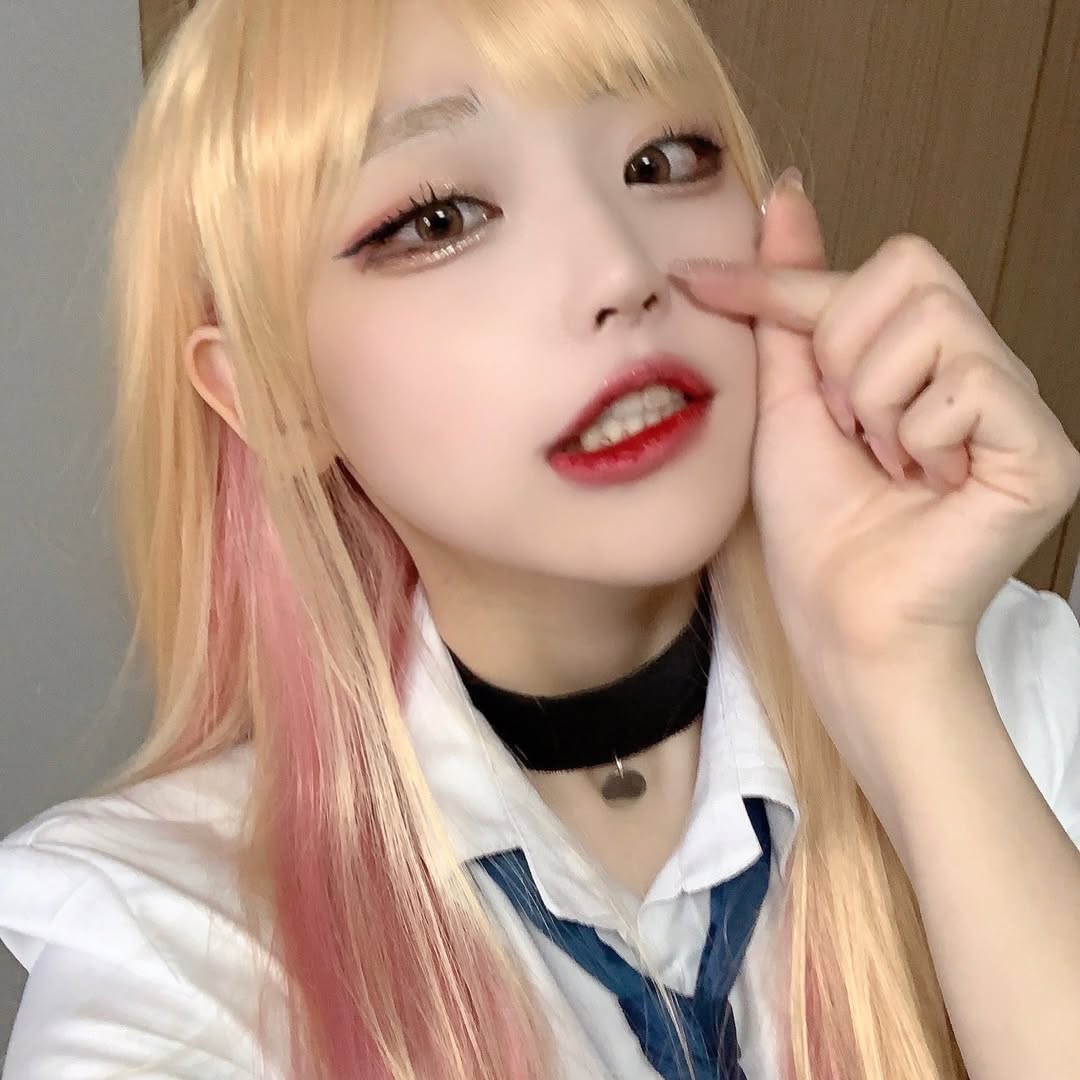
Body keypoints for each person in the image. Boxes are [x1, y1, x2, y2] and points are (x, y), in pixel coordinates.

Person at [1, 0, 1078, 1076]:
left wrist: (905, 680)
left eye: (662, 160)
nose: (620, 271)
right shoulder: (169, 943)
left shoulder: (1004, 686)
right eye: (439, 220)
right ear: (272, 396)